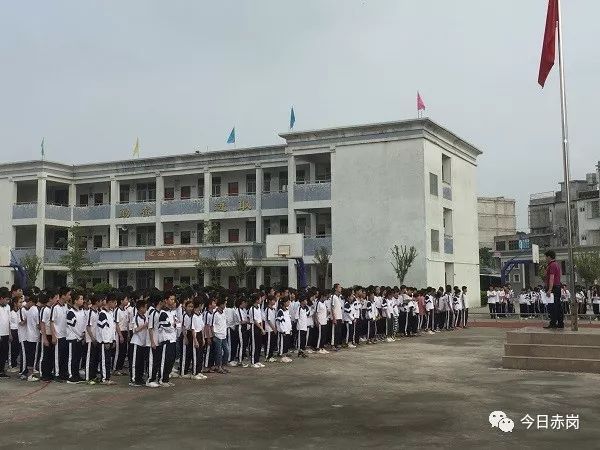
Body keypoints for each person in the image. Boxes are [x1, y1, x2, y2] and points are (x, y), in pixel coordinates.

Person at [157, 291, 177, 386]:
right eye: (171, 299)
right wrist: (173, 325)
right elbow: (168, 327)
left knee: (171, 360)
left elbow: (178, 324)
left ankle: (166, 379)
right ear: (166, 300)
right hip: (165, 340)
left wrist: (173, 325)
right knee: (164, 360)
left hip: (173, 339)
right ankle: (161, 379)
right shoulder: (163, 313)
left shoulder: (173, 312)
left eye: (174, 299)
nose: (173, 301)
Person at [65, 291, 86, 384]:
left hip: (80, 338)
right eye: (80, 299)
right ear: (75, 301)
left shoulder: (82, 312)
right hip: (72, 338)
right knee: (72, 358)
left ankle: (76, 374)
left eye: (82, 299)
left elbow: (84, 324)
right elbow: (72, 327)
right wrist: (80, 335)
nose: (82, 301)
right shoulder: (70, 312)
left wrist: (83, 334)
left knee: (78, 358)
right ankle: (71, 376)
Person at [129, 299, 149, 387]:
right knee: (135, 362)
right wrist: (145, 325)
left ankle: (139, 378)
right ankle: (133, 379)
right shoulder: (136, 317)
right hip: (136, 342)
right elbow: (135, 329)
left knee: (141, 362)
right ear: (140, 308)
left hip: (143, 343)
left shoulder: (145, 317)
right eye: (145, 307)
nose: (146, 309)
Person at [544, 250, 564, 329]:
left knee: (552, 306)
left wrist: (549, 289)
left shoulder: (552, 265)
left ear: (549, 256)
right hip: (557, 286)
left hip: (554, 288)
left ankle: (553, 323)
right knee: (558, 306)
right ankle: (560, 323)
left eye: (546, 256)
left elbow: (551, 277)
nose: (545, 258)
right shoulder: (556, 264)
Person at [211, 298, 230, 373]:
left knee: (226, 351)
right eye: (224, 304)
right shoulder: (215, 314)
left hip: (224, 335)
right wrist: (214, 335)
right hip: (218, 335)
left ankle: (223, 366)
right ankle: (218, 366)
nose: (225, 305)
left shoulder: (224, 312)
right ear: (221, 304)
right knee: (218, 352)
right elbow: (212, 325)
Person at [0, 287, 11, 377]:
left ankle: (1, 370)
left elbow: (8, 321)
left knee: (4, 353)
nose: (8, 301)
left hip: (6, 333)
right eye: (6, 299)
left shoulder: (8, 307)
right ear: (1, 298)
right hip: (0, 334)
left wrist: (10, 333)